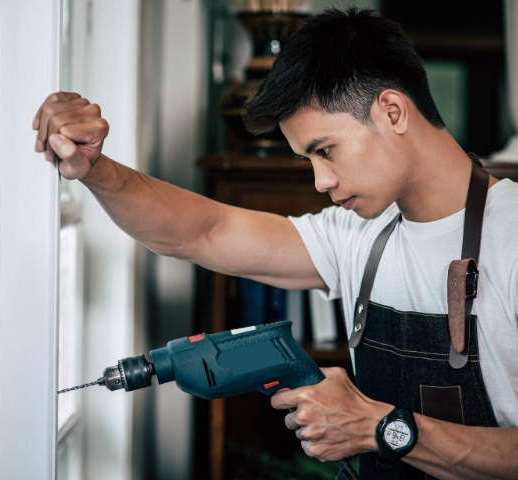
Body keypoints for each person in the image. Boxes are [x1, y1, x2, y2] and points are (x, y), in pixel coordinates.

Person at [33, 8, 518, 480]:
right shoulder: (359, 236)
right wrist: (96, 170)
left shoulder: (512, 239)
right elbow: (204, 232)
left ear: (392, 110)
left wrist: (382, 428)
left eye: (324, 151)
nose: (321, 181)